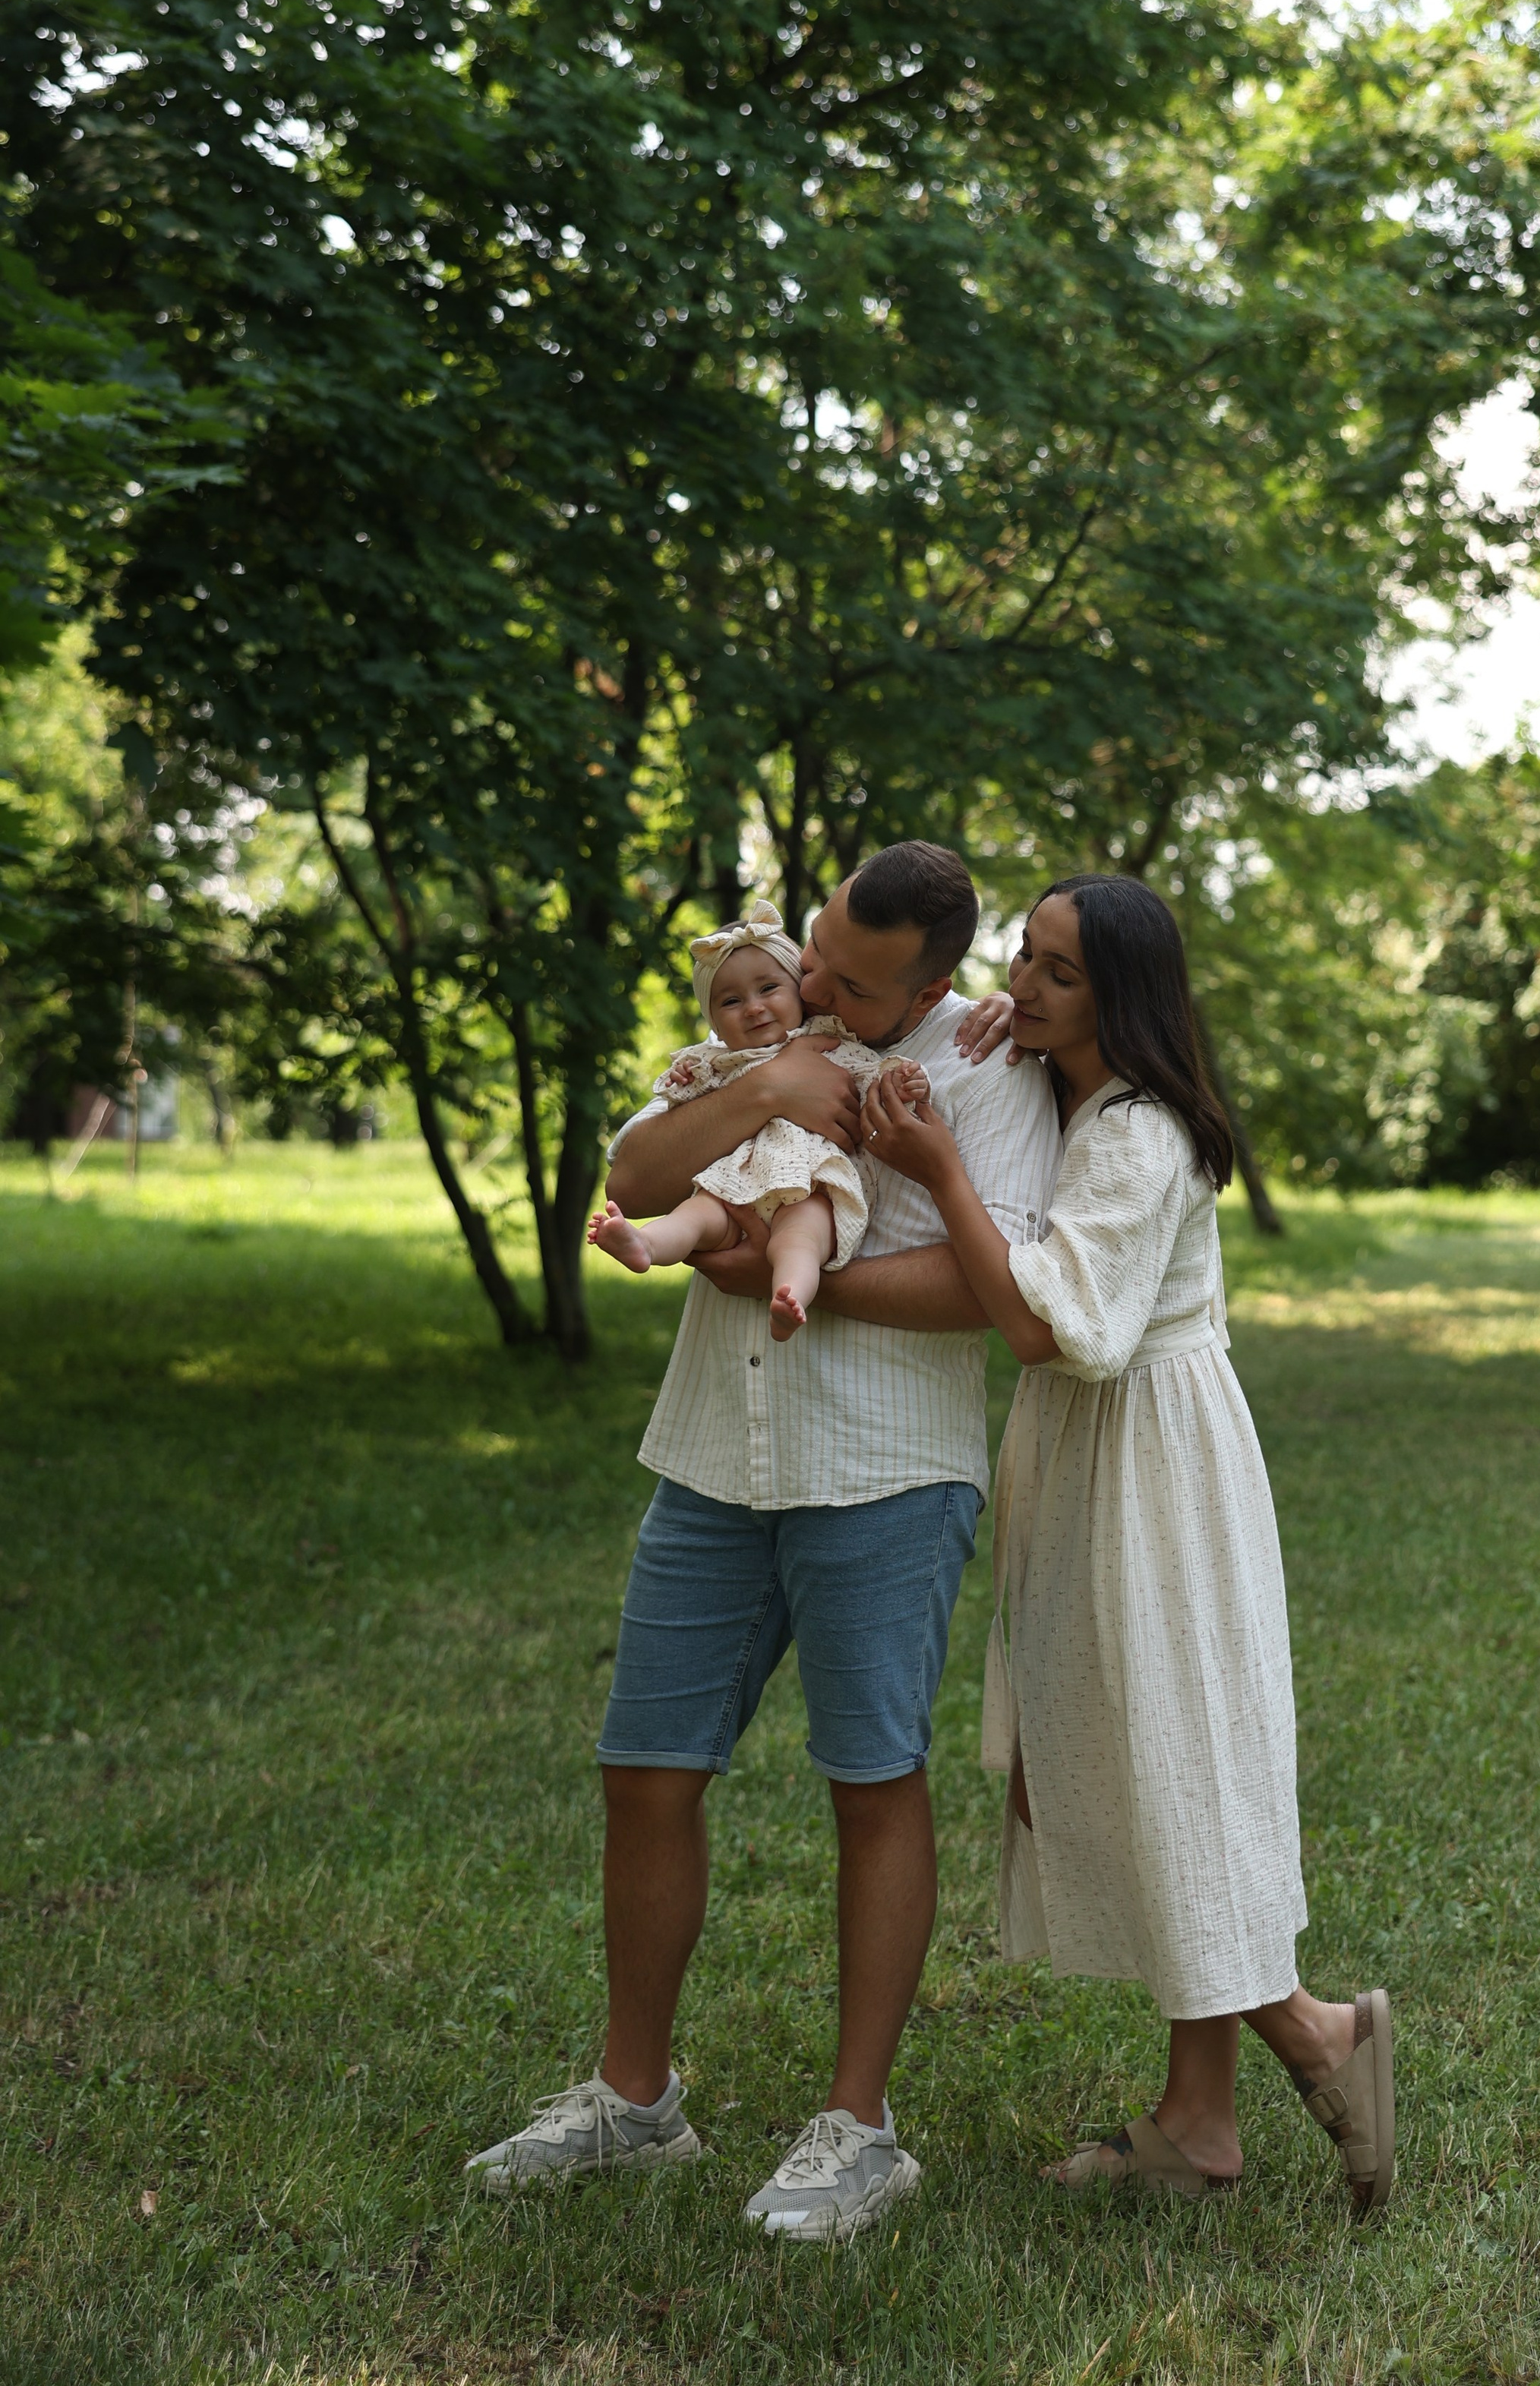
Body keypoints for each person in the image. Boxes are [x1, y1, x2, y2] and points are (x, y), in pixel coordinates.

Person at [464, 842, 1061, 2242]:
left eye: (854, 983)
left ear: (939, 983)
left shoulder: (988, 1072)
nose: (814, 984)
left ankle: (861, 2129)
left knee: (872, 1781)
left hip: (886, 1474)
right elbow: (634, 1164)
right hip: (709, 1457)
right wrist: (771, 1083)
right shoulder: (764, 1034)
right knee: (645, 1769)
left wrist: (801, 1276)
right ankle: (636, 2096)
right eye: (815, 951)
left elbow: (1001, 1281)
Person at [863, 873, 1395, 2211]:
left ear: (1124, 998)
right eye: (1024, 960)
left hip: (1150, 1464)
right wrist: (992, 1036)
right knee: (1135, 1763)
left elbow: (1059, 1328)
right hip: (1093, 1458)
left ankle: (1320, 2035)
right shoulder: (1076, 1090)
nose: (1022, 987)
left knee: (1165, 1772)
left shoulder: (1141, 1136)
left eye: (1058, 974)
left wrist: (936, 1171)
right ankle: (1197, 2123)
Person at [585, 898, 929, 1341]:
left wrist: (901, 1081)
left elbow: (868, 1079)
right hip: (734, 1181)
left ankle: (791, 1296)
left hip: (811, 1181)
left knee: (801, 1237)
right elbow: (679, 1099)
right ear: (714, 1020)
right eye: (731, 1001)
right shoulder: (718, 1059)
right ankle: (645, 1245)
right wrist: (683, 1077)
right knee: (697, 1216)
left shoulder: (827, 1041)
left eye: (769, 989)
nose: (753, 1008)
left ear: (800, 990)